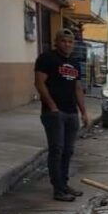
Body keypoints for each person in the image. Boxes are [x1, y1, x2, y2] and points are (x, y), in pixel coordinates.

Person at [34, 29, 90, 202]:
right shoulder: (47, 58)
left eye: (70, 42)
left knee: (68, 151)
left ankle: (64, 184)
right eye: (64, 41)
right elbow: (39, 82)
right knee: (56, 150)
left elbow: (77, 88)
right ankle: (57, 189)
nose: (67, 44)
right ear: (56, 42)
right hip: (54, 113)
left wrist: (84, 112)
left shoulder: (74, 63)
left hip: (71, 112)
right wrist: (51, 106)